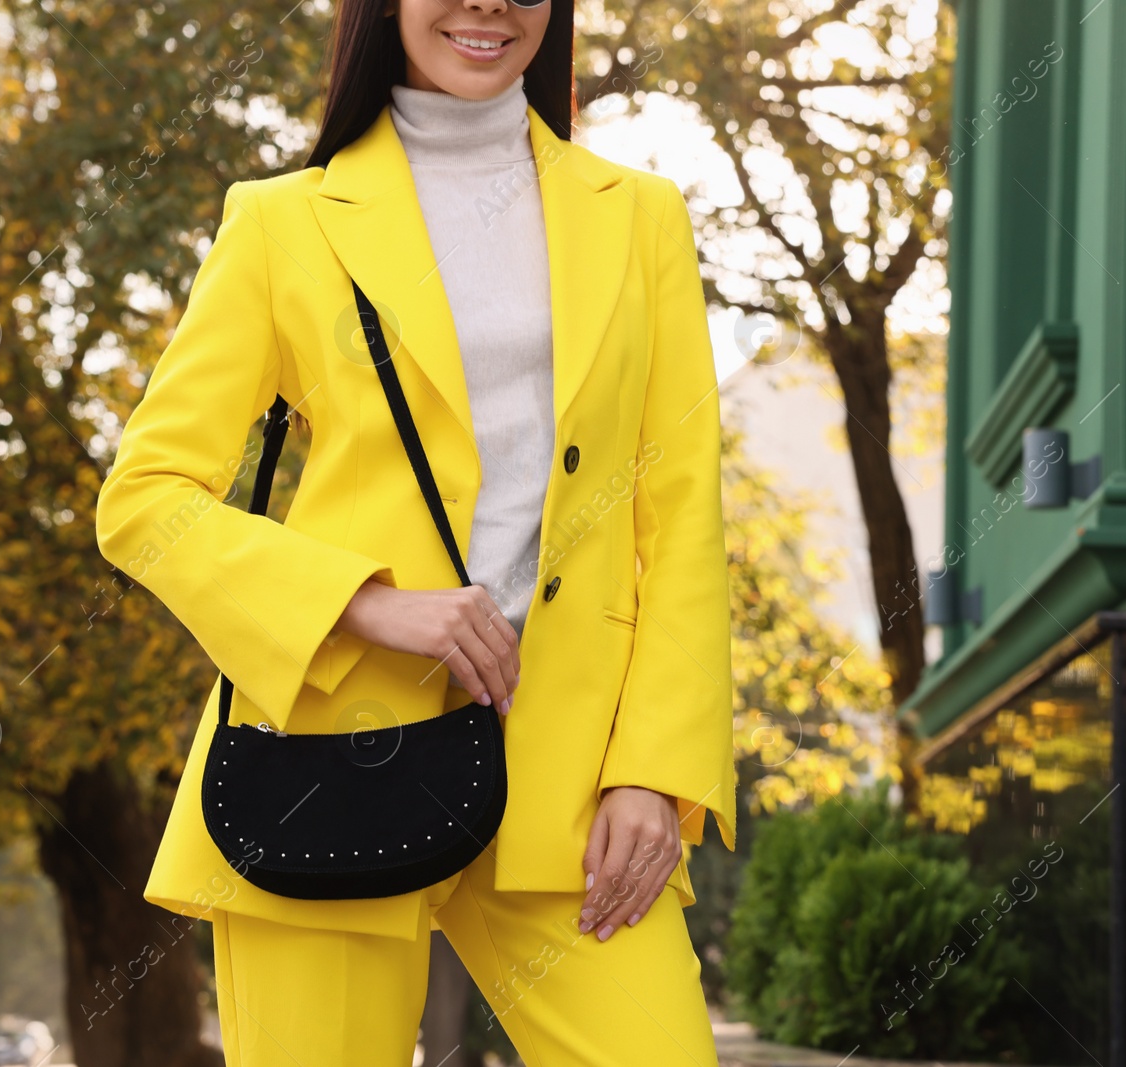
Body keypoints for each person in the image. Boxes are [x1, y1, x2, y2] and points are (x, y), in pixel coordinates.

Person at [93, 0, 735, 1062]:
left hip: (575, 781)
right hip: (325, 761)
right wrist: (365, 600)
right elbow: (146, 496)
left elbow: (681, 517)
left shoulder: (641, 216)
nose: (488, 4)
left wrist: (655, 770)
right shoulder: (280, 220)